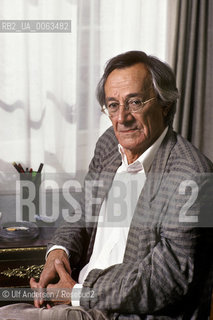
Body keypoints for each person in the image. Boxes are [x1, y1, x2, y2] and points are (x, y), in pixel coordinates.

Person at [0, 50, 213, 319]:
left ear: (165, 105)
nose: (122, 118)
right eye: (113, 105)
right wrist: (58, 254)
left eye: (134, 102)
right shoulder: (109, 145)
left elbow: (167, 279)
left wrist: (77, 292)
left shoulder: (198, 176)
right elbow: (82, 210)